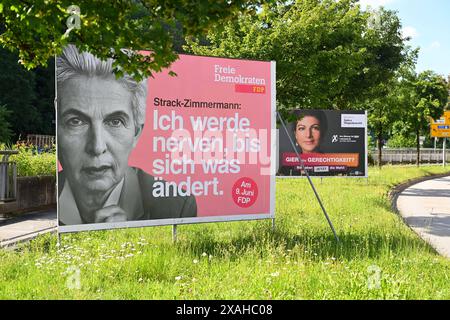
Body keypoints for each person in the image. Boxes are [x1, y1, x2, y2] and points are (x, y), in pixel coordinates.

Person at [57, 45, 197, 225]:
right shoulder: (45, 200)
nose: (97, 146)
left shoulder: (176, 206)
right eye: (76, 121)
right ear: (58, 131)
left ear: (136, 132)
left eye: (115, 121)